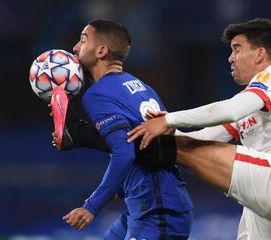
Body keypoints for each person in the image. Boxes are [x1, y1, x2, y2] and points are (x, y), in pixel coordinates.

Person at [127, 18, 271, 239]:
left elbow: (231, 110)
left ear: (260, 54)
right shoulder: (253, 100)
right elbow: (204, 139)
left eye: (237, 49)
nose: (230, 58)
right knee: (179, 145)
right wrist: (175, 131)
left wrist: (169, 121)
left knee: (171, 148)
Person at [51, 19, 193, 240]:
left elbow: (124, 153)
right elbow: (148, 150)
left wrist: (91, 207)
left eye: (82, 40)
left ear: (101, 51)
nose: (75, 48)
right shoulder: (143, 87)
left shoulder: (98, 94)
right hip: (147, 207)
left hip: (157, 213)